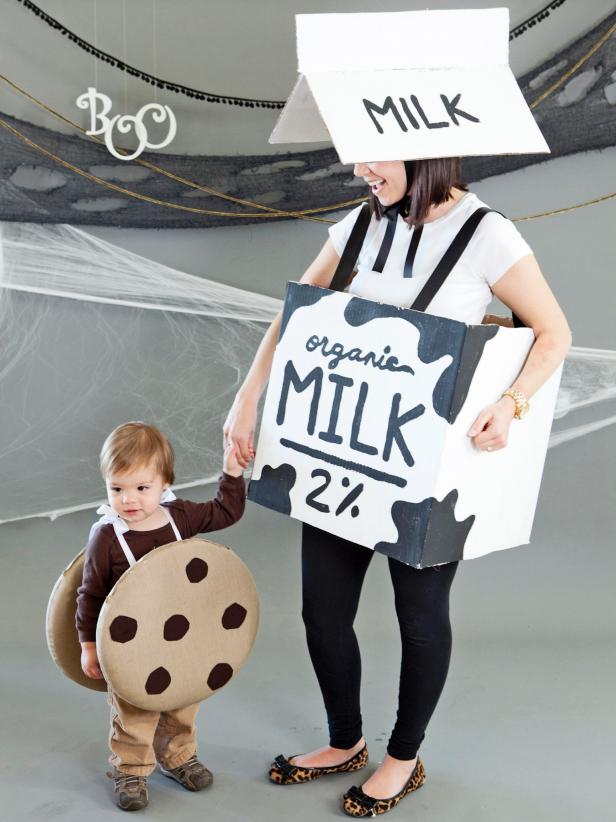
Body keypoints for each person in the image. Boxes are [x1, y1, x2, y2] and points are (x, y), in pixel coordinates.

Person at [224, 158, 571, 817]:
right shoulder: (358, 224)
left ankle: (403, 759)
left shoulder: (485, 233)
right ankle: (344, 741)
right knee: (322, 611)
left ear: (422, 149)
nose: (359, 168)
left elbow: (554, 333)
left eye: (372, 153)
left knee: (419, 616)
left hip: (429, 468)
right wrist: (247, 399)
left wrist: (513, 403)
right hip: (345, 453)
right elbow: (296, 311)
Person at [76, 421, 248, 812]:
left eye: (141, 488)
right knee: (134, 712)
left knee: (183, 701)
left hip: (180, 638)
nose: (129, 500)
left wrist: (233, 472)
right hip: (133, 646)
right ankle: (131, 771)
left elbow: (226, 511)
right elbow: (90, 594)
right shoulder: (107, 537)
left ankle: (177, 757)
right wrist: (88, 645)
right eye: (116, 489)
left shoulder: (179, 517)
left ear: (165, 482)